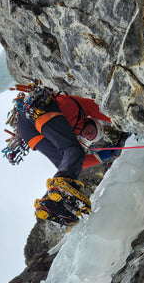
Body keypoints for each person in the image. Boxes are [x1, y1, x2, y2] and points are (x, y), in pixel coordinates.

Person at [14, 88, 119, 223]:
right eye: (92, 131)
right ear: (91, 121)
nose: (89, 135)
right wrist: (127, 124)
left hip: (29, 129)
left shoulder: (67, 132)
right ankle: (61, 189)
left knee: (64, 165)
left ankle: (48, 204)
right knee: (73, 151)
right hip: (40, 110)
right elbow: (102, 110)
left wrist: (104, 155)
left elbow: (77, 163)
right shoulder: (82, 109)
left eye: (91, 137)